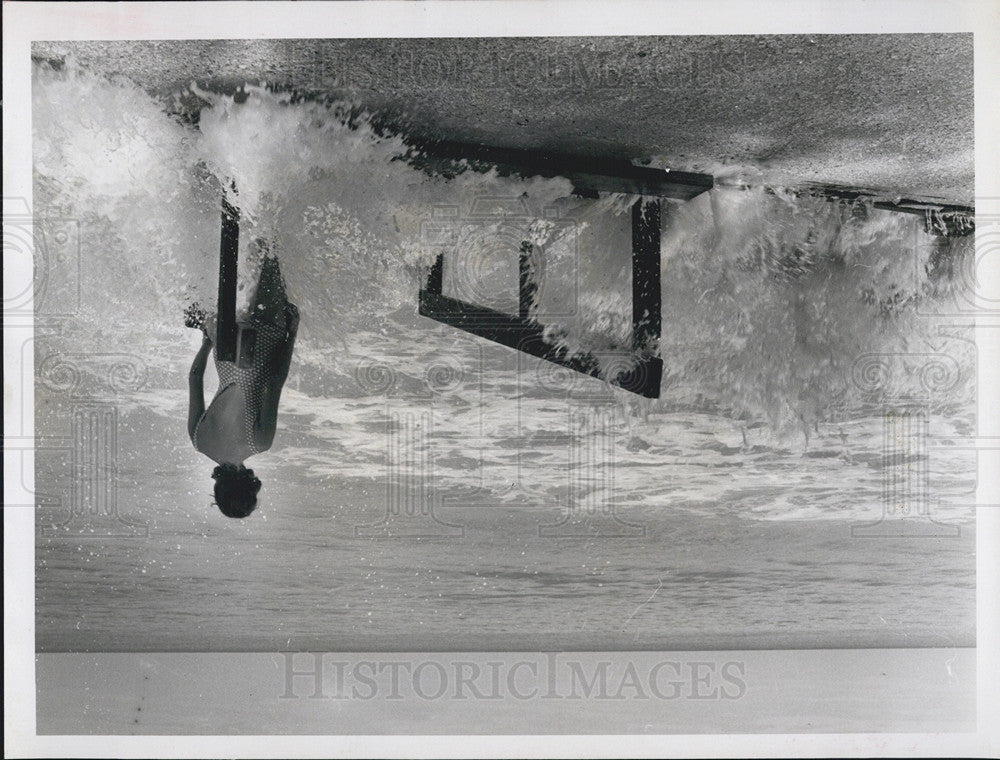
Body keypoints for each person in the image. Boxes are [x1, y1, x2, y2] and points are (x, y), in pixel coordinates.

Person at [187, 241, 299, 518]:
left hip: (264, 339)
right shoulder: (199, 440)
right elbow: (194, 378)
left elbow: (274, 381)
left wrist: (292, 333)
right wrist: (207, 343)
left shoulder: (259, 442)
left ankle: (267, 210)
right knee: (248, 258)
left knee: (272, 253)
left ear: (249, 487)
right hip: (225, 344)